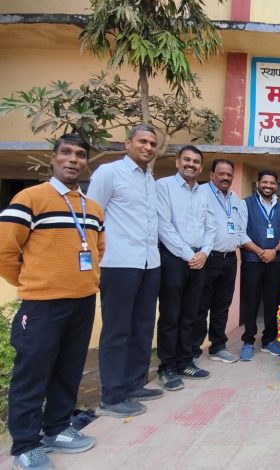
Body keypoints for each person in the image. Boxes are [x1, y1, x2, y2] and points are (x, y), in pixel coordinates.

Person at [0, 134, 104, 470]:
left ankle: (58, 428)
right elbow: (5, 251)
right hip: (42, 305)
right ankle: (25, 445)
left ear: (86, 162)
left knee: (68, 369)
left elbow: (98, 249)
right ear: (53, 157)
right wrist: (33, 282)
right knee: (32, 374)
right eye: (67, 153)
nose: (73, 159)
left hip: (82, 301)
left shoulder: (92, 207)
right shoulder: (30, 198)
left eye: (80, 155)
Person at [87, 124, 162, 418]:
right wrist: (94, 260)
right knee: (117, 330)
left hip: (149, 262)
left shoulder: (149, 179)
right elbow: (92, 217)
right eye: (142, 141)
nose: (148, 147)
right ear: (127, 143)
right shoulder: (109, 173)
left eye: (152, 143)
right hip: (118, 263)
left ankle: (134, 384)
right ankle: (112, 396)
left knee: (143, 327)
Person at [155, 145, 216, 390]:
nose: (191, 165)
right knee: (171, 315)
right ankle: (167, 367)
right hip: (173, 258)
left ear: (201, 167)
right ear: (177, 162)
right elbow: (164, 226)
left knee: (191, 314)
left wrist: (204, 252)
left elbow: (211, 227)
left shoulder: (204, 193)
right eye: (187, 160)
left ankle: (185, 361)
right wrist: (190, 255)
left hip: (199, 258)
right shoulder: (164, 186)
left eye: (196, 162)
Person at [237, 170, 280, 361]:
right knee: (251, 301)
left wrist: (274, 251)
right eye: (265, 182)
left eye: (272, 183)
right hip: (252, 261)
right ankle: (248, 341)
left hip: (274, 262)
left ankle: (269, 340)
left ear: (276, 186)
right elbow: (241, 234)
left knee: (272, 302)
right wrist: (261, 252)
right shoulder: (245, 204)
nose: (268, 186)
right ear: (258, 183)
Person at [193, 159, 242, 364]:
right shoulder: (201, 193)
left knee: (222, 305)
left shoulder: (235, 198)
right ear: (212, 174)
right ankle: (192, 351)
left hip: (230, 258)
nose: (225, 178)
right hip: (208, 257)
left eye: (229, 175)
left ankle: (218, 347)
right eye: (221, 174)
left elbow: (238, 227)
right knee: (200, 305)